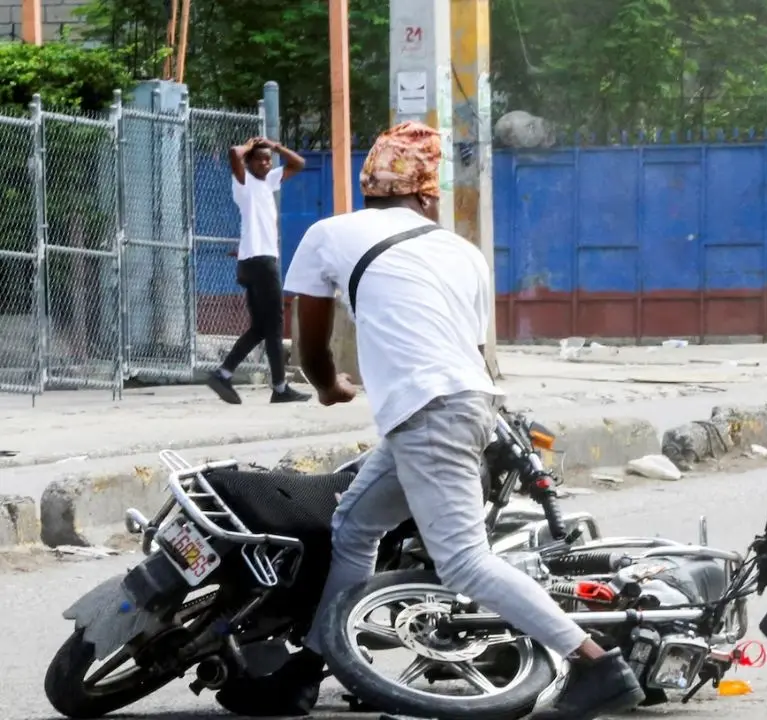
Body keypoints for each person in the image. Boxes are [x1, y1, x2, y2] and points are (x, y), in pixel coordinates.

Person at [216, 122, 645, 719]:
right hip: (463, 403)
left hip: (428, 411)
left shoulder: (330, 232)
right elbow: (469, 350)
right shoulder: (461, 252)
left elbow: (309, 343)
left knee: (464, 561)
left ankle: (597, 663)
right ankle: (310, 671)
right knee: (355, 526)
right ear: (424, 194)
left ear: (370, 188)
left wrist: (328, 387)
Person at [205, 136, 311, 405]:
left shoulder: (269, 181)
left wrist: (275, 147)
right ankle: (280, 387)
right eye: (259, 159)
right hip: (261, 262)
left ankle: (223, 373)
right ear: (249, 162)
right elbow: (232, 152)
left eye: (268, 160)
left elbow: (299, 163)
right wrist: (250, 146)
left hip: (251, 262)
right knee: (275, 324)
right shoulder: (244, 183)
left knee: (261, 329)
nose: (265, 163)